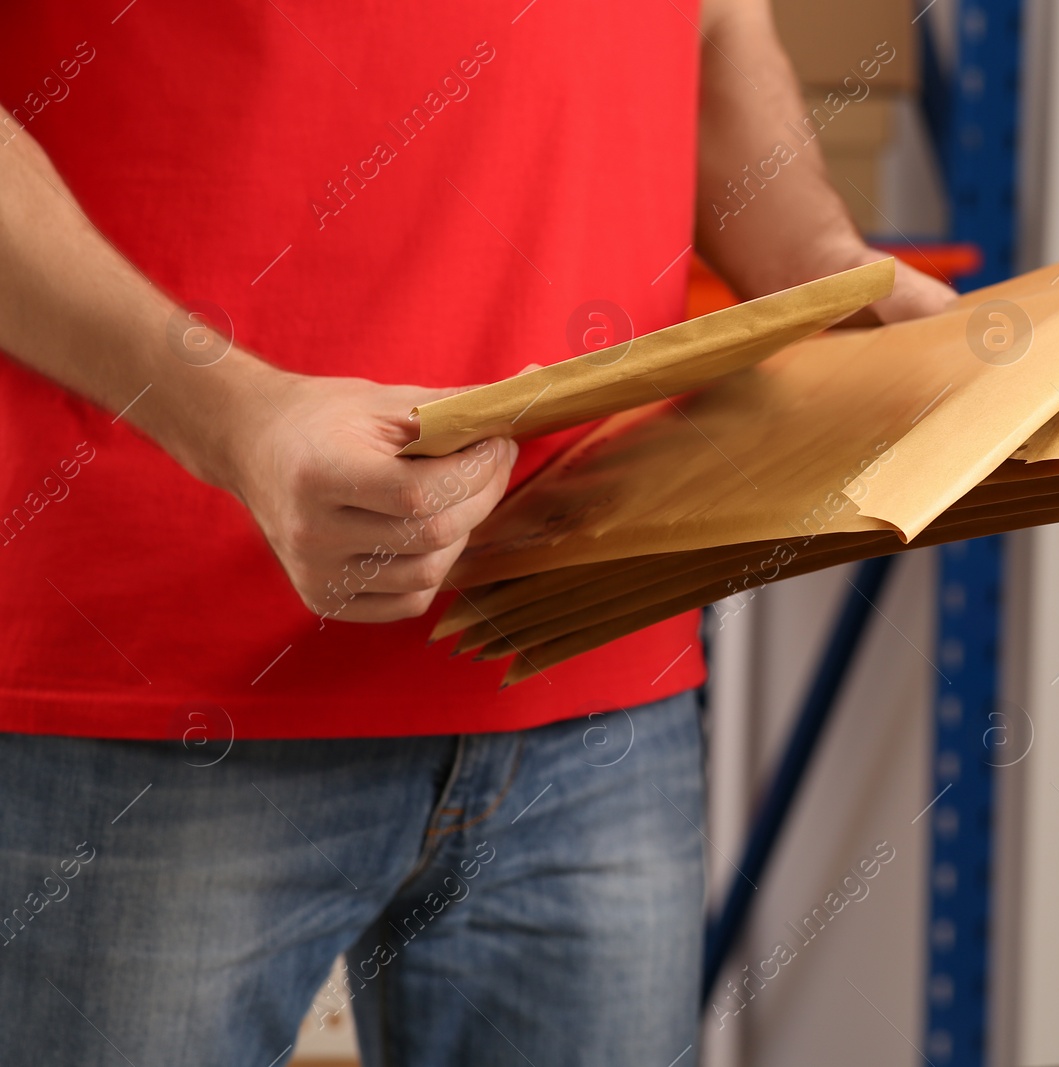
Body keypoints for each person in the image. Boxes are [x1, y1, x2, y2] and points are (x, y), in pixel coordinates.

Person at [0, 1, 956, 1064]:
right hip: (151, 682)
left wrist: (814, 261)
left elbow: (716, 17)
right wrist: (238, 419)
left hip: (593, 659)